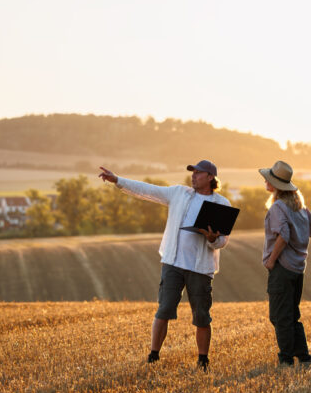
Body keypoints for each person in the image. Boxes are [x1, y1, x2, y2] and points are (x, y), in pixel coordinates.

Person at [99, 159, 231, 372]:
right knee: (164, 309)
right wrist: (118, 180)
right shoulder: (179, 193)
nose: (193, 176)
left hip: (201, 269)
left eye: (198, 173)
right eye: (193, 172)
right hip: (172, 263)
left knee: (201, 316)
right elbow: (148, 190)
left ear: (210, 177)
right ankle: (153, 356)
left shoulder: (222, 204)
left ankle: (203, 360)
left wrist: (212, 239)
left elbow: (223, 241)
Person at [259, 160, 311, 368]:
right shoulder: (300, 207)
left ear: (276, 185)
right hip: (298, 268)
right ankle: (304, 358)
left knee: (279, 316)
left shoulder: (278, 207)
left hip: (282, 268)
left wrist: (271, 260)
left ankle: (286, 360)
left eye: (268, 179)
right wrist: (299, 241)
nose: (265, 181)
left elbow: (283, 235)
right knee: (292, 315)